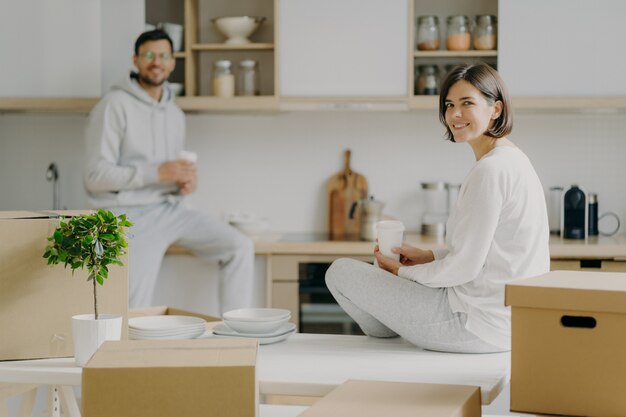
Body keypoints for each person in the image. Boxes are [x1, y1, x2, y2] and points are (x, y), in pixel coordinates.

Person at [325, 63, 550, 353]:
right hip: (505, 324)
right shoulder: (514, 160)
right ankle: (395, 326)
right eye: (449, 105)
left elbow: (464, 267)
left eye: (467, 103)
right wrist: (428, 256)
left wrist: (401, 274)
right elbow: (488, 253)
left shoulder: (490, 171)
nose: (455, 114)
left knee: (339, 271)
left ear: (496, 109)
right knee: (379, 274)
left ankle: (387, 335)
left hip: (472, 324)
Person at [84, 29, 255, 313]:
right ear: (136, 60)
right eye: (149, 55)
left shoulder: (175, 114)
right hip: (128, 217)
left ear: (173, 62)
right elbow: (94, 177)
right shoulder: (113, 106)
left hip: (171, 210)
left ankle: (237, 332)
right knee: (132, 306)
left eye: (163, 56)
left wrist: (182, 183)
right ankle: (125, 354)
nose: (156, 62)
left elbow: (168, 173)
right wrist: (157, 173)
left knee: (240, 247)